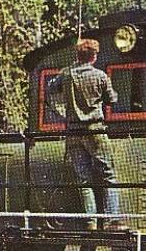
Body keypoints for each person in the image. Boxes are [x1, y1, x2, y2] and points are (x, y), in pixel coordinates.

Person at [49, 39, 126, 231]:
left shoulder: (67, 75)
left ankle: (91, 222)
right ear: (94, 56)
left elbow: (50, 87)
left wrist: (70, 69)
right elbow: (112, 99)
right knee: (108, 174)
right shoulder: (100, 76)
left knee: (83, 180)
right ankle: (110, 220)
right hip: (95, 130)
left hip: (73, 132)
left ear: (78, 56)